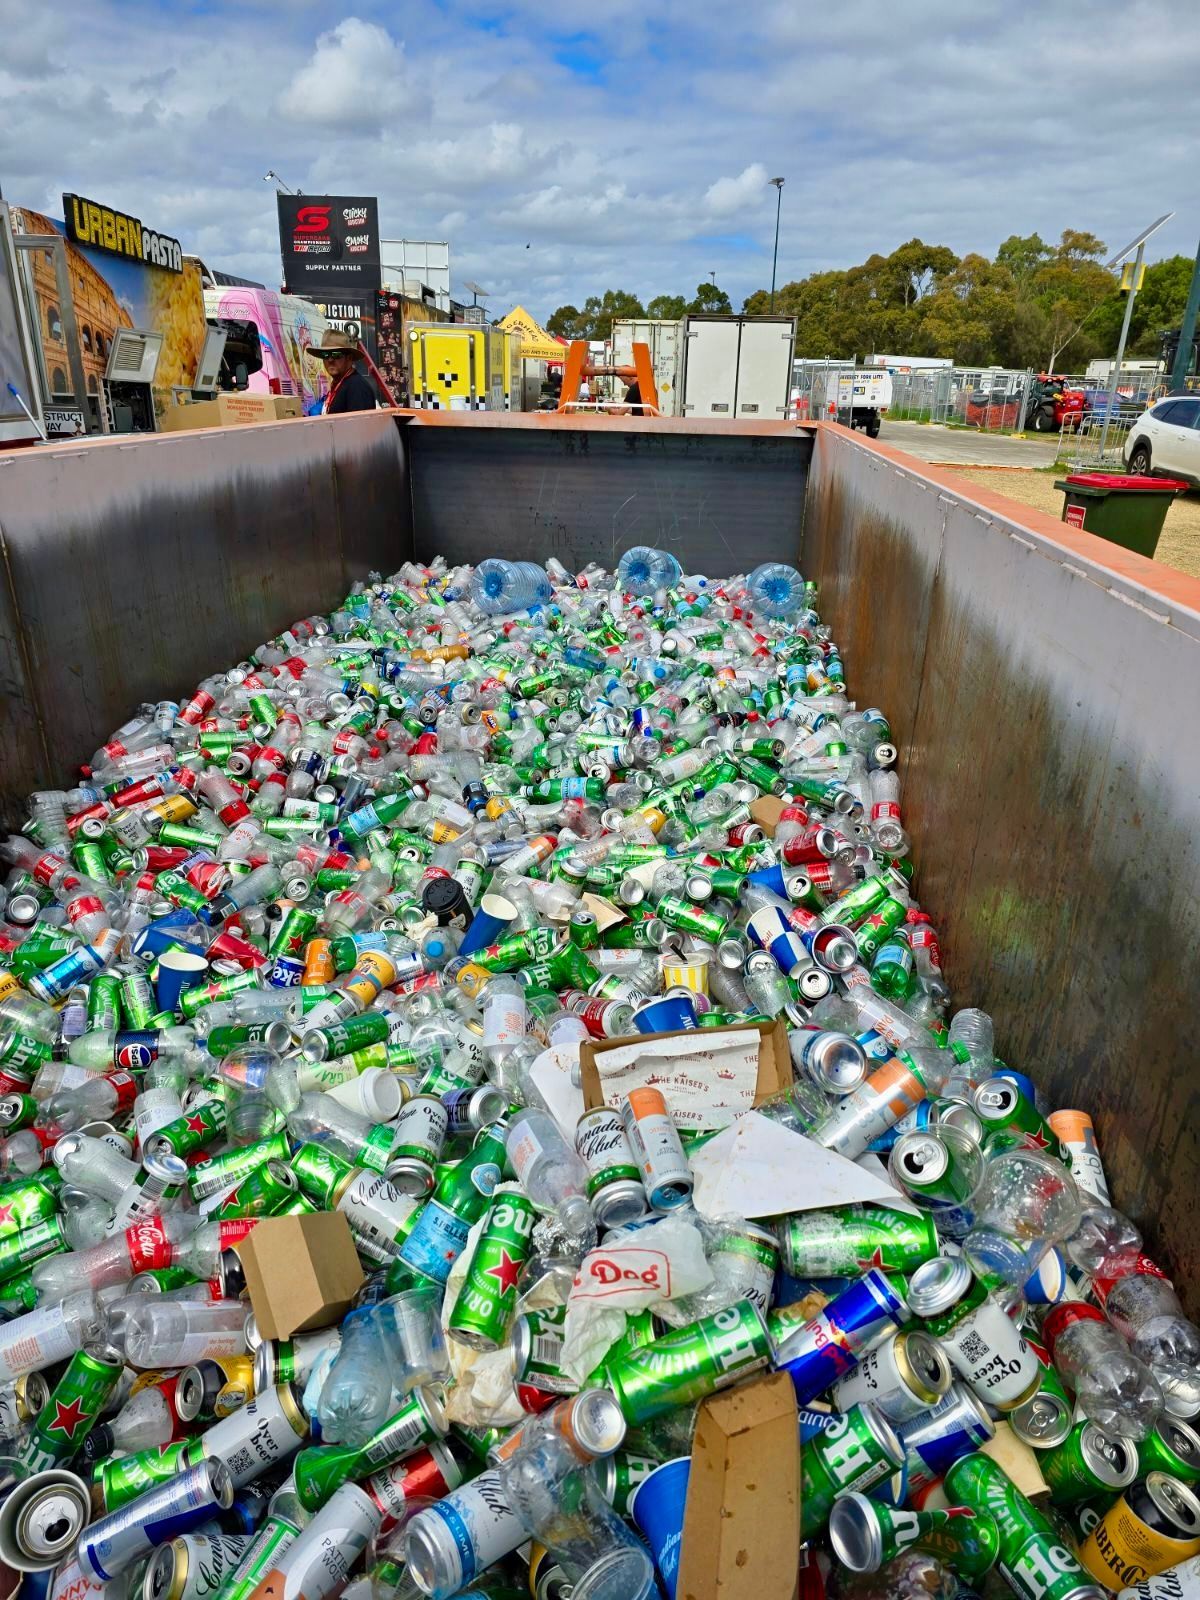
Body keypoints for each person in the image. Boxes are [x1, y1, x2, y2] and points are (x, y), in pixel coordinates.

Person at [312, 336, 377, 414]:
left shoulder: (357, 387)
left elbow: (359, 424)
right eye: (325, 355)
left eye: (336, 355)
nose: (330, 360)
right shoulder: (340, 383)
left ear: (349, 358)